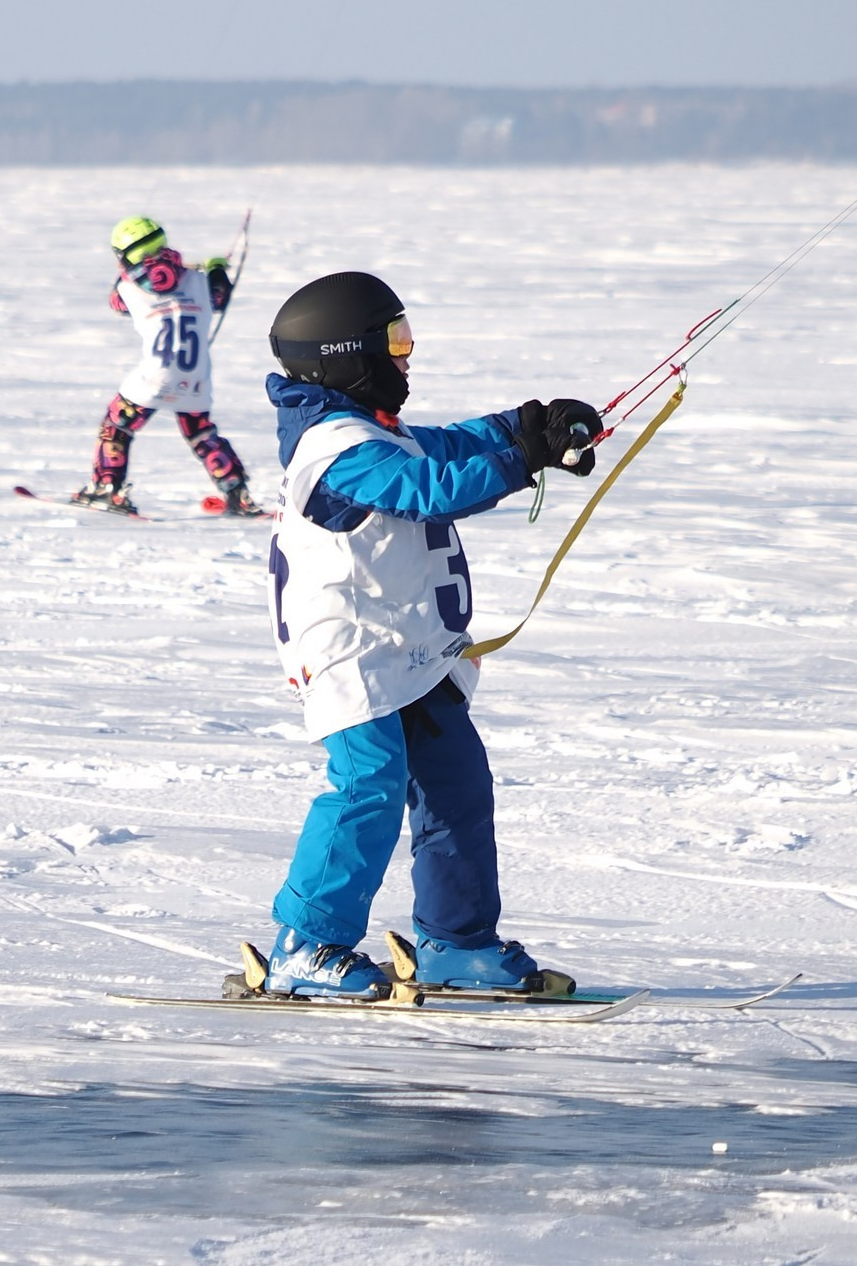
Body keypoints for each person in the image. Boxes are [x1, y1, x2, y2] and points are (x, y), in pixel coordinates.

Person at [257, 270, 602, 998]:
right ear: (347, 355)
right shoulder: (335, 450)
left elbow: (447, 447)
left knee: (458, 786)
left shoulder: (378, 431)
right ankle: (305, 944)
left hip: (410, 651)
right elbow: (427, 489)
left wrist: (529, 424)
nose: (407, 354)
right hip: (350, 656)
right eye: (394, 340)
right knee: (368, 786)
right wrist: (523, 459)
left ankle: (457, 942)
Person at [78, 215, 261, 516]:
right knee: (202, 434)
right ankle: (238, 495)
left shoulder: (127, 287)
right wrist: (215, 270)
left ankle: (106, 488)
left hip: (155, 375)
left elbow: (117, 303)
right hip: (196, 375)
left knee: (116, 428)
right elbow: (220, 297)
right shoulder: (200, 280)